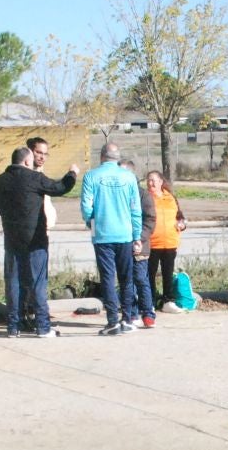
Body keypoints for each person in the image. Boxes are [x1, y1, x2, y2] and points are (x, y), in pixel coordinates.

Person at [0, 146, 78, 337]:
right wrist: (72, 173)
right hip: (35, 240)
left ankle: (13, 327)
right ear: (27, 161)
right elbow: (60, 188)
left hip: (12, 239)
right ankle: (42, 326)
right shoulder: (34, 178)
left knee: (13, 283)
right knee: (37, 282)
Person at [78, 143, 143, 336]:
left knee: (107, 277)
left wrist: (92, 223)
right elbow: (135, 209)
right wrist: (137, 235)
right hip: (125, 233)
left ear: (101, 156)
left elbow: (86, 206)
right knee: (126, 278)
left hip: (103, 235)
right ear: (117, 157)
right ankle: (128, 318)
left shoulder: (91, 176)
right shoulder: (129, 177)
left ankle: (112, 320)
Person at [145, 171, 187, 311]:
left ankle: (168, 301)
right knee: (149, 274)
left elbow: (180, 217)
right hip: (151, 243)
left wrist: (182, 224)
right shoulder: (145, 198)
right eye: (148, 180)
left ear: (161, 182)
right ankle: (149, 302)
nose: (150, 183)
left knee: (167, 273)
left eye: (153, 180)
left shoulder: (171, 198)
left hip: (170, 242)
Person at [126, 163, 158, 329]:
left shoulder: (143, 195)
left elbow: (150, 220)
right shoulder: (120, 193)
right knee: (127, 281)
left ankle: (148, 313)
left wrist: (139, 239)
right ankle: (131, 313)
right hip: (123, 244)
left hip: (140, 245)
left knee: (140, 279)